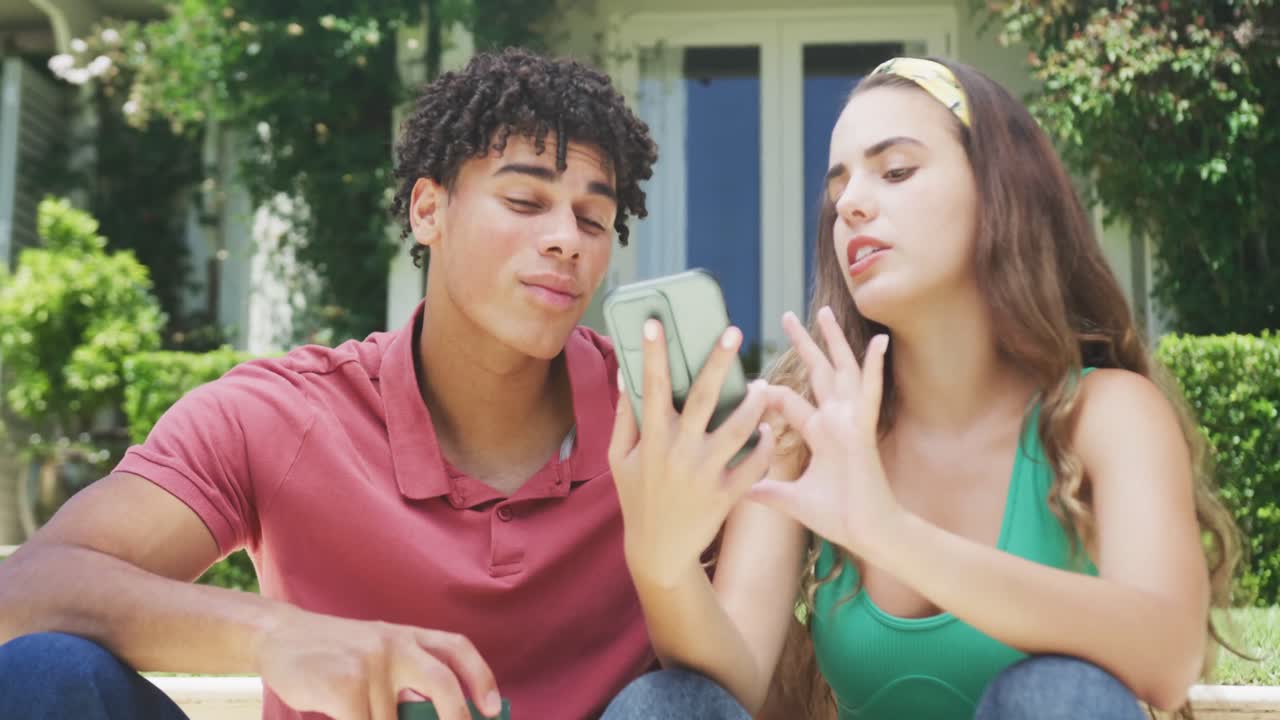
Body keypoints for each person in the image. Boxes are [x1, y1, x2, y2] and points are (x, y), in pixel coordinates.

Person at [0, 47, 755, 720]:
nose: (565, 239)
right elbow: (23, 592)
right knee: (48, 674)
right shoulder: (282, 414)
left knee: (679, 705)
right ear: (429, 209)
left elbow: (754, 689)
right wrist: (276, 634)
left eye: (594, 219)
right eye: (525, 201)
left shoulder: (668, 425)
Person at [608, 56, 1241, 720]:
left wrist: (888, 533)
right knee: (666, 703)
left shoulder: (1106, 414)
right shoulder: (813, 426)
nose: (849, 203)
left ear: (1001, 191)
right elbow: (726, 690)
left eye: (897, 171)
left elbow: (1168, 660)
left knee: (1059, 693)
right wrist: (661, 562)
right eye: (839, 186)